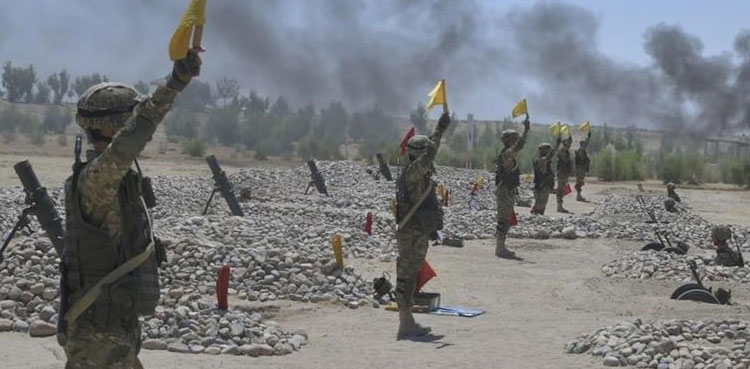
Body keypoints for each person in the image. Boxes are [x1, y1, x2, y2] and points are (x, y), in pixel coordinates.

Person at [60, 51, 201, 368]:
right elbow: (137, 131)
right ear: (114, 129)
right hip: (97, 338)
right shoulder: (99, 178)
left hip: (113, 329)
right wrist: (174, 84)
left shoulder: (113, 178)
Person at [394, 112, 450, 338]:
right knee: (406, 276)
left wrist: (440, 129)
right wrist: (438, 132)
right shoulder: (412, 172)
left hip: (417, 231)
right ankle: (405, 323)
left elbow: (429, 154)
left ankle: (407, 321)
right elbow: (428, 158)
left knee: (411, 273)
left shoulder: (417, 170)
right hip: (410, 232)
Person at [494, 117, 530, 258]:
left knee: (506, 219)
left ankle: (501, 246)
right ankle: (500, 248)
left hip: (507, 191)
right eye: (513, 139)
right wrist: (526, 131)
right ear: (508, 140)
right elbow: (519, 146)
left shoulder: (507, 153)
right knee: (503, 220)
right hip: (504, 192)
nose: (515, 141)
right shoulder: (506, 154)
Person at [532, 138, 562, 215]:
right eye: (547, 150)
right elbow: (550, 156)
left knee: (541, 204)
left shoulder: (540, 160)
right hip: (541, 186)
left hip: (542, 185)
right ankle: (536, 217)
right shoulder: (542, 160)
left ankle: (537, 217)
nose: (548, 151)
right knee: (540, 205)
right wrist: (557, 145)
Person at [555, 136, 574, 213]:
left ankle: (560, 206)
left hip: (564, 173)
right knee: (560, 190)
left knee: (562, 189)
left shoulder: (566, 151)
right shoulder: (562, 151)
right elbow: (565, 160)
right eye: (568, 144)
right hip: (561, 173)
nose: (569, 146)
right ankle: (559, 206)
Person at [574, 131, 592, 202]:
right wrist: (588, 137)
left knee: (580, 182)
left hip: (581, 168)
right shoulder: (580, 150)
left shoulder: (580, 150)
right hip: (580, 169)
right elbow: (585, 144)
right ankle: (578, 196)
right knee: (579, 182)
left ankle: (579, 195)